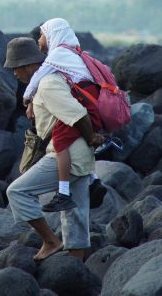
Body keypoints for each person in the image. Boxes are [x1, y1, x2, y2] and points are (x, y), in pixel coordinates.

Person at [4, 37, 104, 261]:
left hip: (67, 154)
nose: (14, 73)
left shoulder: (48, 84)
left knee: (17, 192)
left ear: (30, 66)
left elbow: (77, 114)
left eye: (16, 67)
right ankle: (75, 267)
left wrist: (91, 136)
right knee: (75, 213)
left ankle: (50, 241)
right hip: (80, 155)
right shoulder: (50, 80)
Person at [23, 18, 104, 212]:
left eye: (42, 35)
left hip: (86, 103)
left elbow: (38, 77)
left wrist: (27, 97)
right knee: (74, 140)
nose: (40, 40)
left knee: (59, 142)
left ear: (53, 35)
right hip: (91, 101)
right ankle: (94, 180)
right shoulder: (74, 52)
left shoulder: (58, 54)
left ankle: (63, 193)